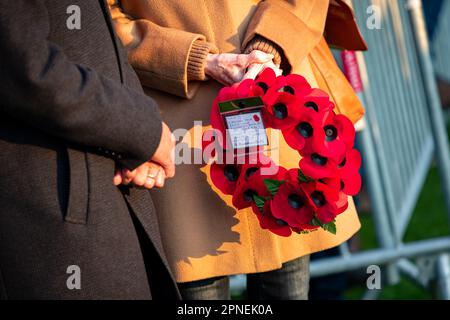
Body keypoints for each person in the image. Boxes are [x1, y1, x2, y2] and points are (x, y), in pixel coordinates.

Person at [109, 0, 367, 300]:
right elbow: (102, 19)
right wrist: (194, 58)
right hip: (178, 128)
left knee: (287, 285)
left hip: (276, 94)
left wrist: (270, 45)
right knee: (200, 290)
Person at [0, 0, 179, 299]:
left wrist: (135, 140)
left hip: (103, 184)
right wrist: (141, 128)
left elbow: (96, 42)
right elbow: (24, 66)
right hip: (50, 211)